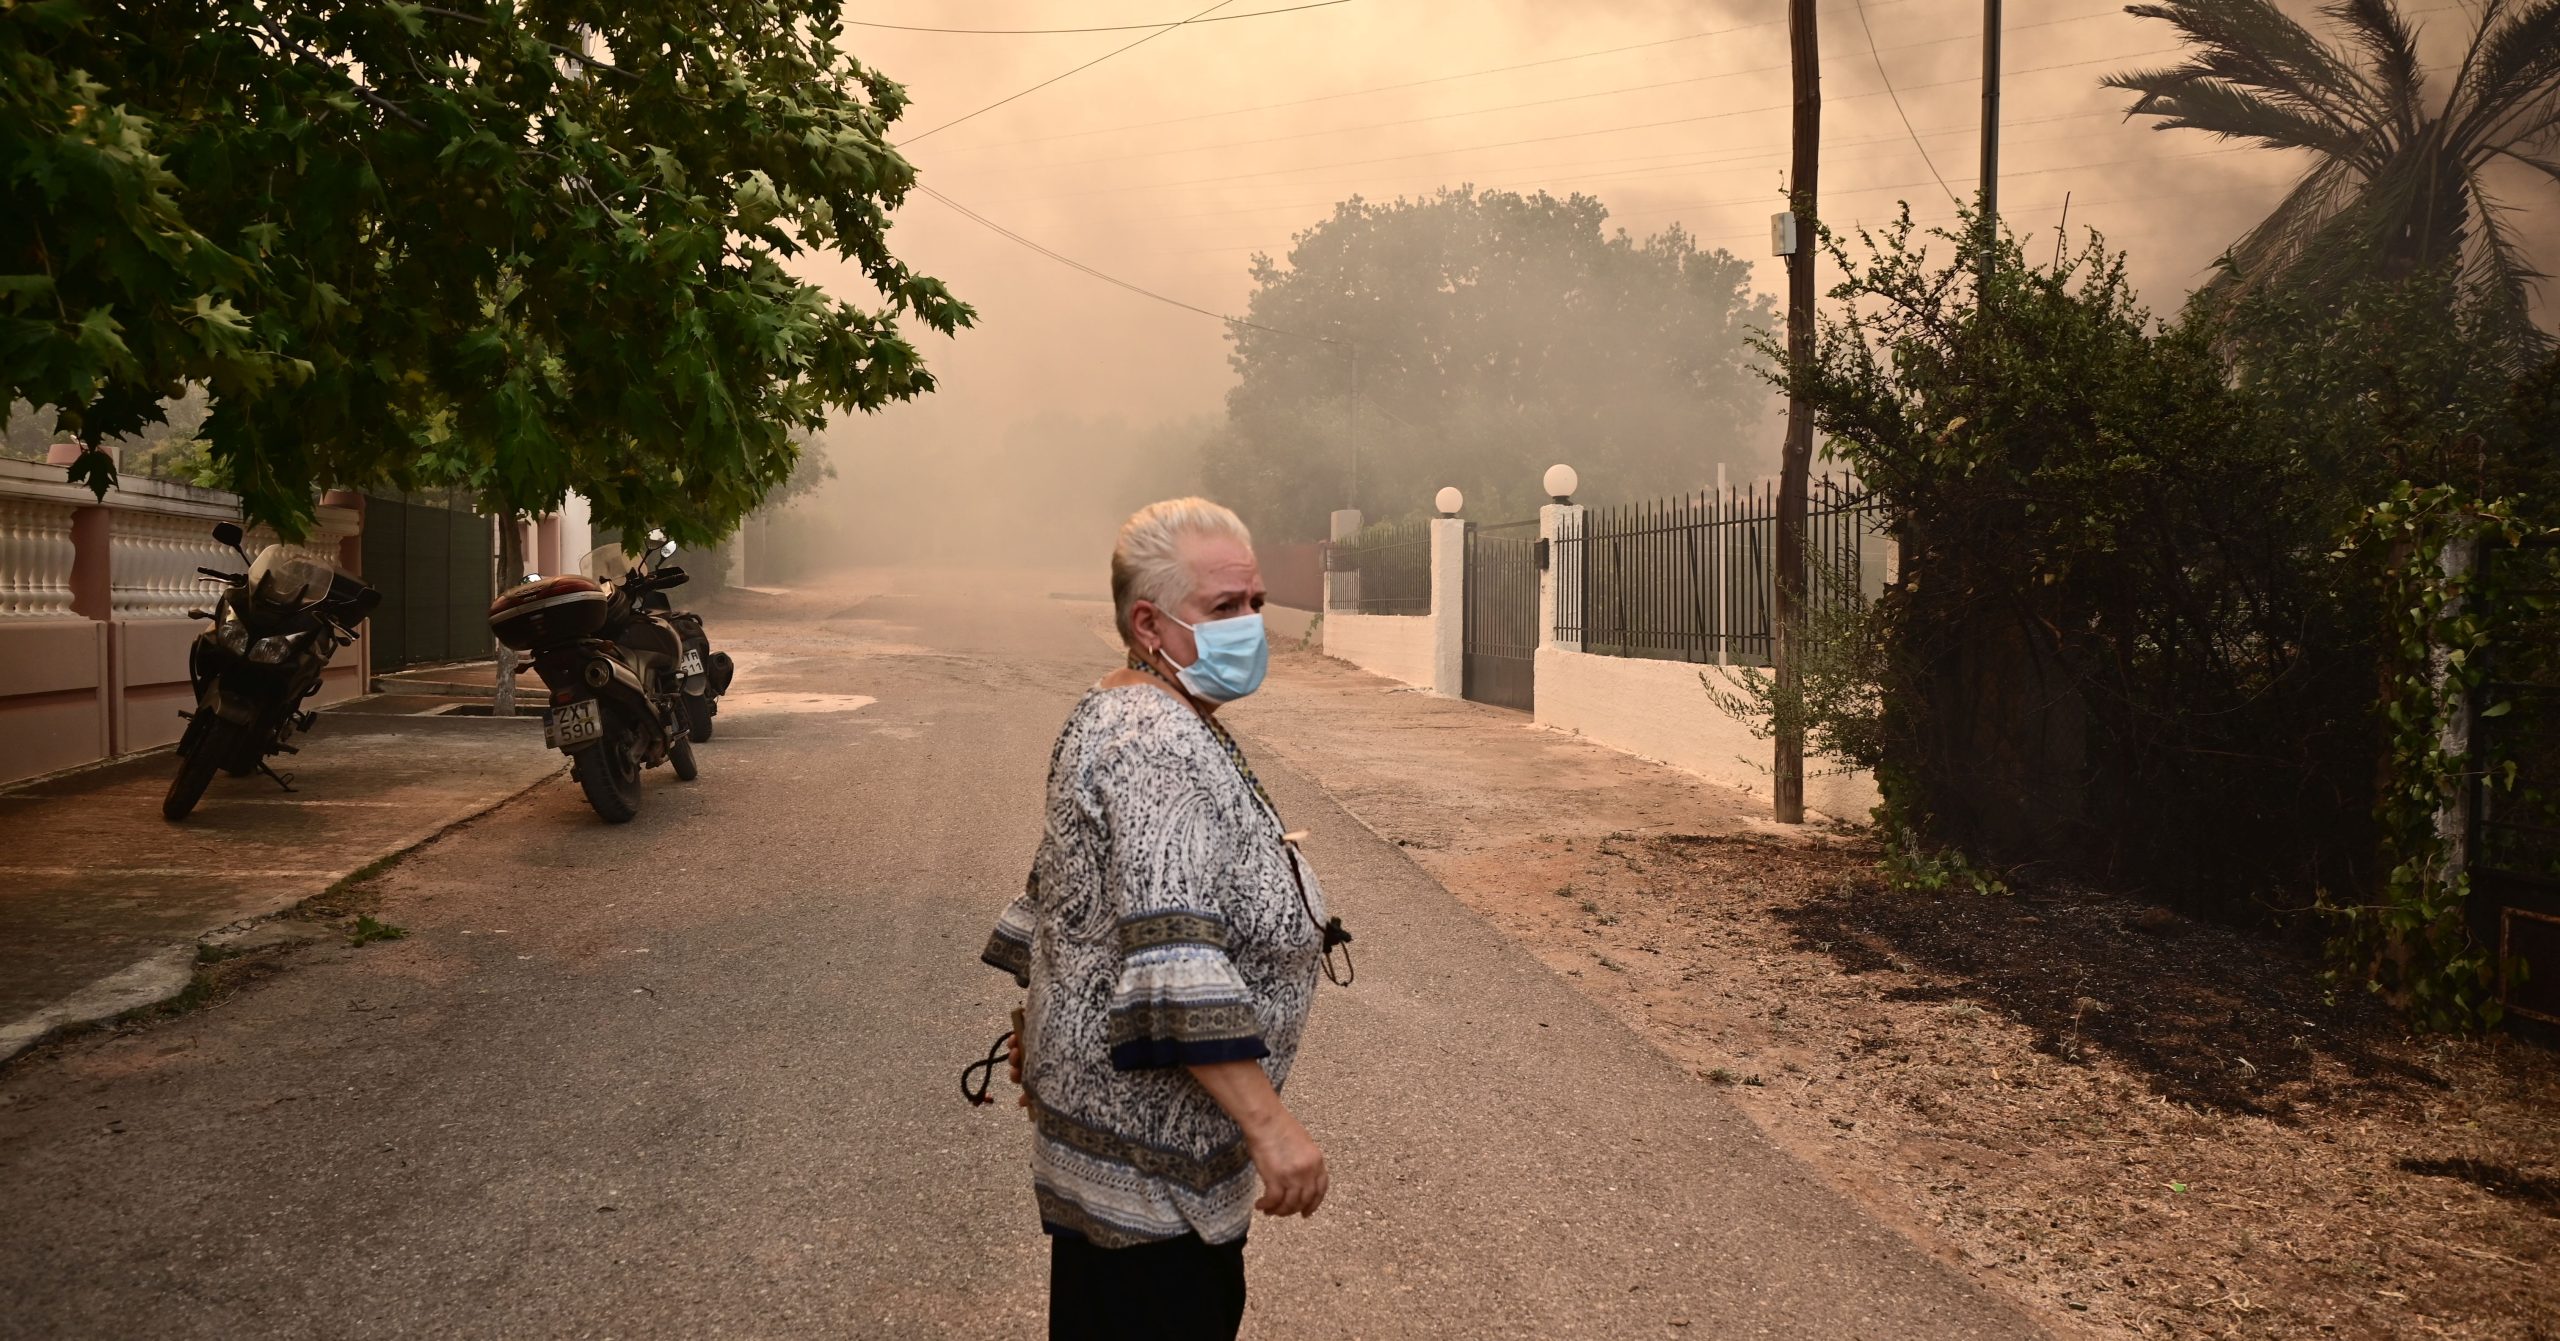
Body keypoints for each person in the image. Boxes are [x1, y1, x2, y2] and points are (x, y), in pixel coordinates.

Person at [982, 497, 1333, 1341]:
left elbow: (1070, 896)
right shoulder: (1151, 738)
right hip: (1149, 1179)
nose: (1251, 624)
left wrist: (1042, 1022)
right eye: (1223, 608)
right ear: (1150, 622)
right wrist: (1271, 1127)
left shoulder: (1143, 710)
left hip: (1127, 1156)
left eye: (1254, 602)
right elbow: (1174, 956)